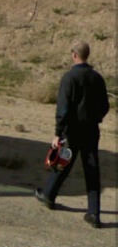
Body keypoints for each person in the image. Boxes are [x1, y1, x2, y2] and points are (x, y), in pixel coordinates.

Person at [34, 41, 111, 228]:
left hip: (72, 130)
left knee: (63, 162)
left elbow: (63, 108)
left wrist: (58, 132)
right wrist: (94, 119)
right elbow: (105, 106)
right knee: (91, 169)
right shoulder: (97, 78)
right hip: (91, 131)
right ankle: (94, 213)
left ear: (74, 55)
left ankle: (49, 195)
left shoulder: (70, 78)